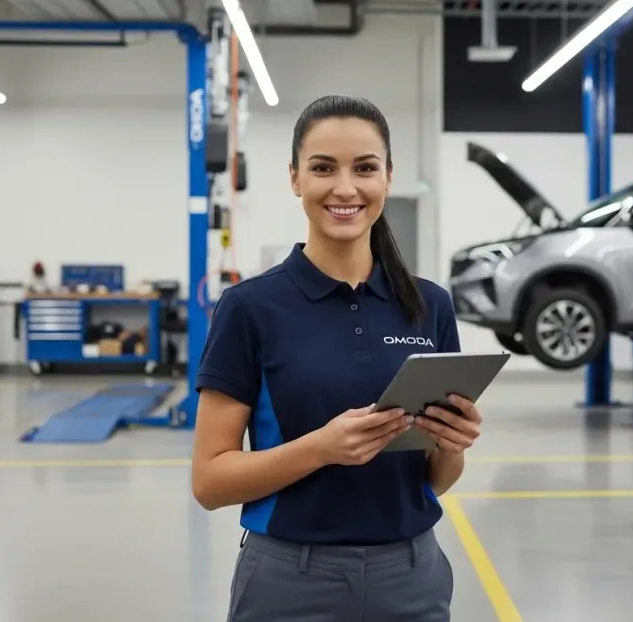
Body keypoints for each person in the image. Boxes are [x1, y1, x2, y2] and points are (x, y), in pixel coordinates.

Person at [190, 94, 483, 622]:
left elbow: (433, 479)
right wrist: (321, 448)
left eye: (365, 168)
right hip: (289, 582)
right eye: (323, 168)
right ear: (296, 178)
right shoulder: (249, 308)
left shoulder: (430, 305)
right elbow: (210, 483)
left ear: (387, 178)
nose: (345, 188)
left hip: (413, 576)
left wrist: (452, 446)